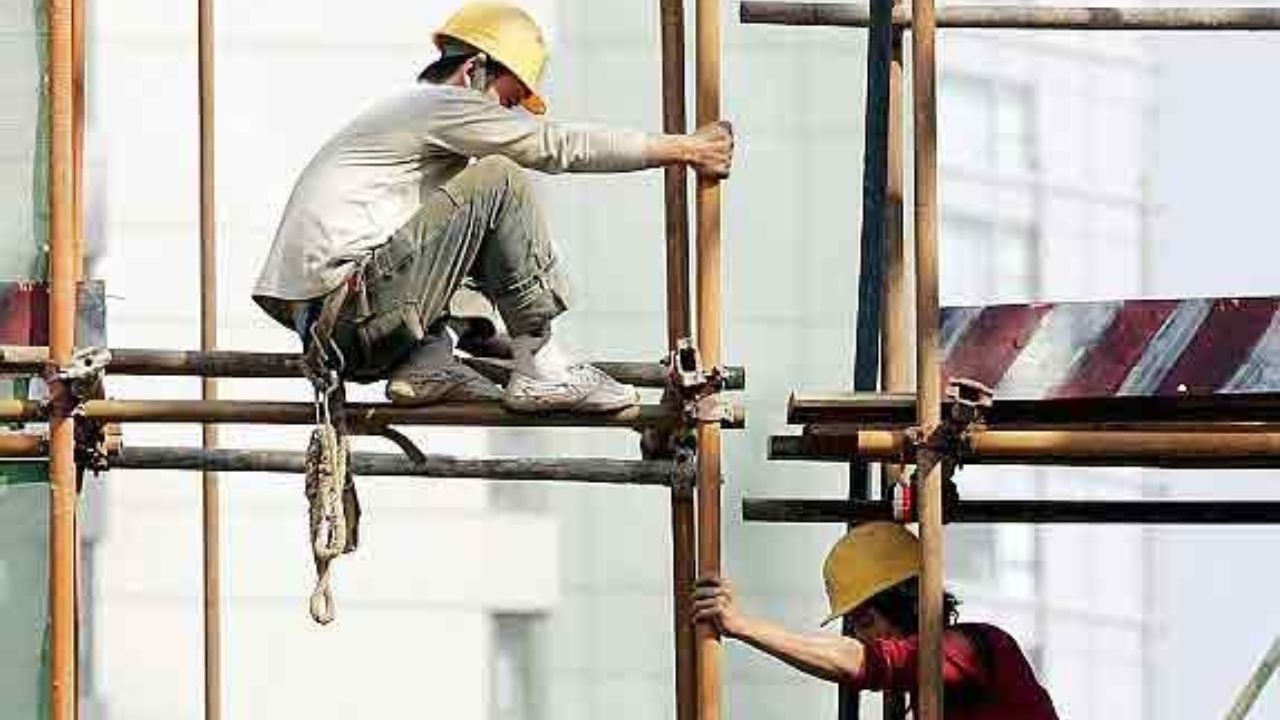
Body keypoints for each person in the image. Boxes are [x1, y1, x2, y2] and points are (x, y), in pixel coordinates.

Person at [252, 1, 734, 412]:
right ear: (473, 68)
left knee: (469, 201)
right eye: (507, 99)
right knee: (499, 177)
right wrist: (683, 149)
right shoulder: (440, 105)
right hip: (355, 312)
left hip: (334, 333)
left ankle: (428, 362)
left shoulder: (403, 126)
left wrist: (481, 333)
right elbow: (556, 146)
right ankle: (542, 364)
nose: (505, 116)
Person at [693, 523, 1059, 718]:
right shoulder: (931, 689)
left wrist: (742, 625)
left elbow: (866, 662)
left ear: (910, 604)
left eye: (865, 621)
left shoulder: (967, 648)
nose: (862, 637)